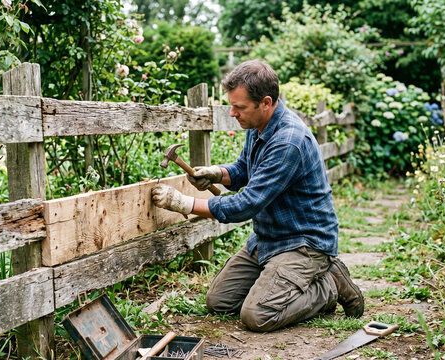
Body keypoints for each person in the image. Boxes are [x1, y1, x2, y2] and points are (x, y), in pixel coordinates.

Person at [151, 60, 364, 332]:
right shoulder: (257, 126)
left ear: (265, 102)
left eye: (239, 107)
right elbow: (244, 170)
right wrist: (218, 173)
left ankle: (329, 286)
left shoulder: (289, 141)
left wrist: (185, 203)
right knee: (220, 301)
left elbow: (248, 203)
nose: (233, 113)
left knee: (256, 316)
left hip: (303, 242)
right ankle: (284, 283)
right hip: (269, 238)